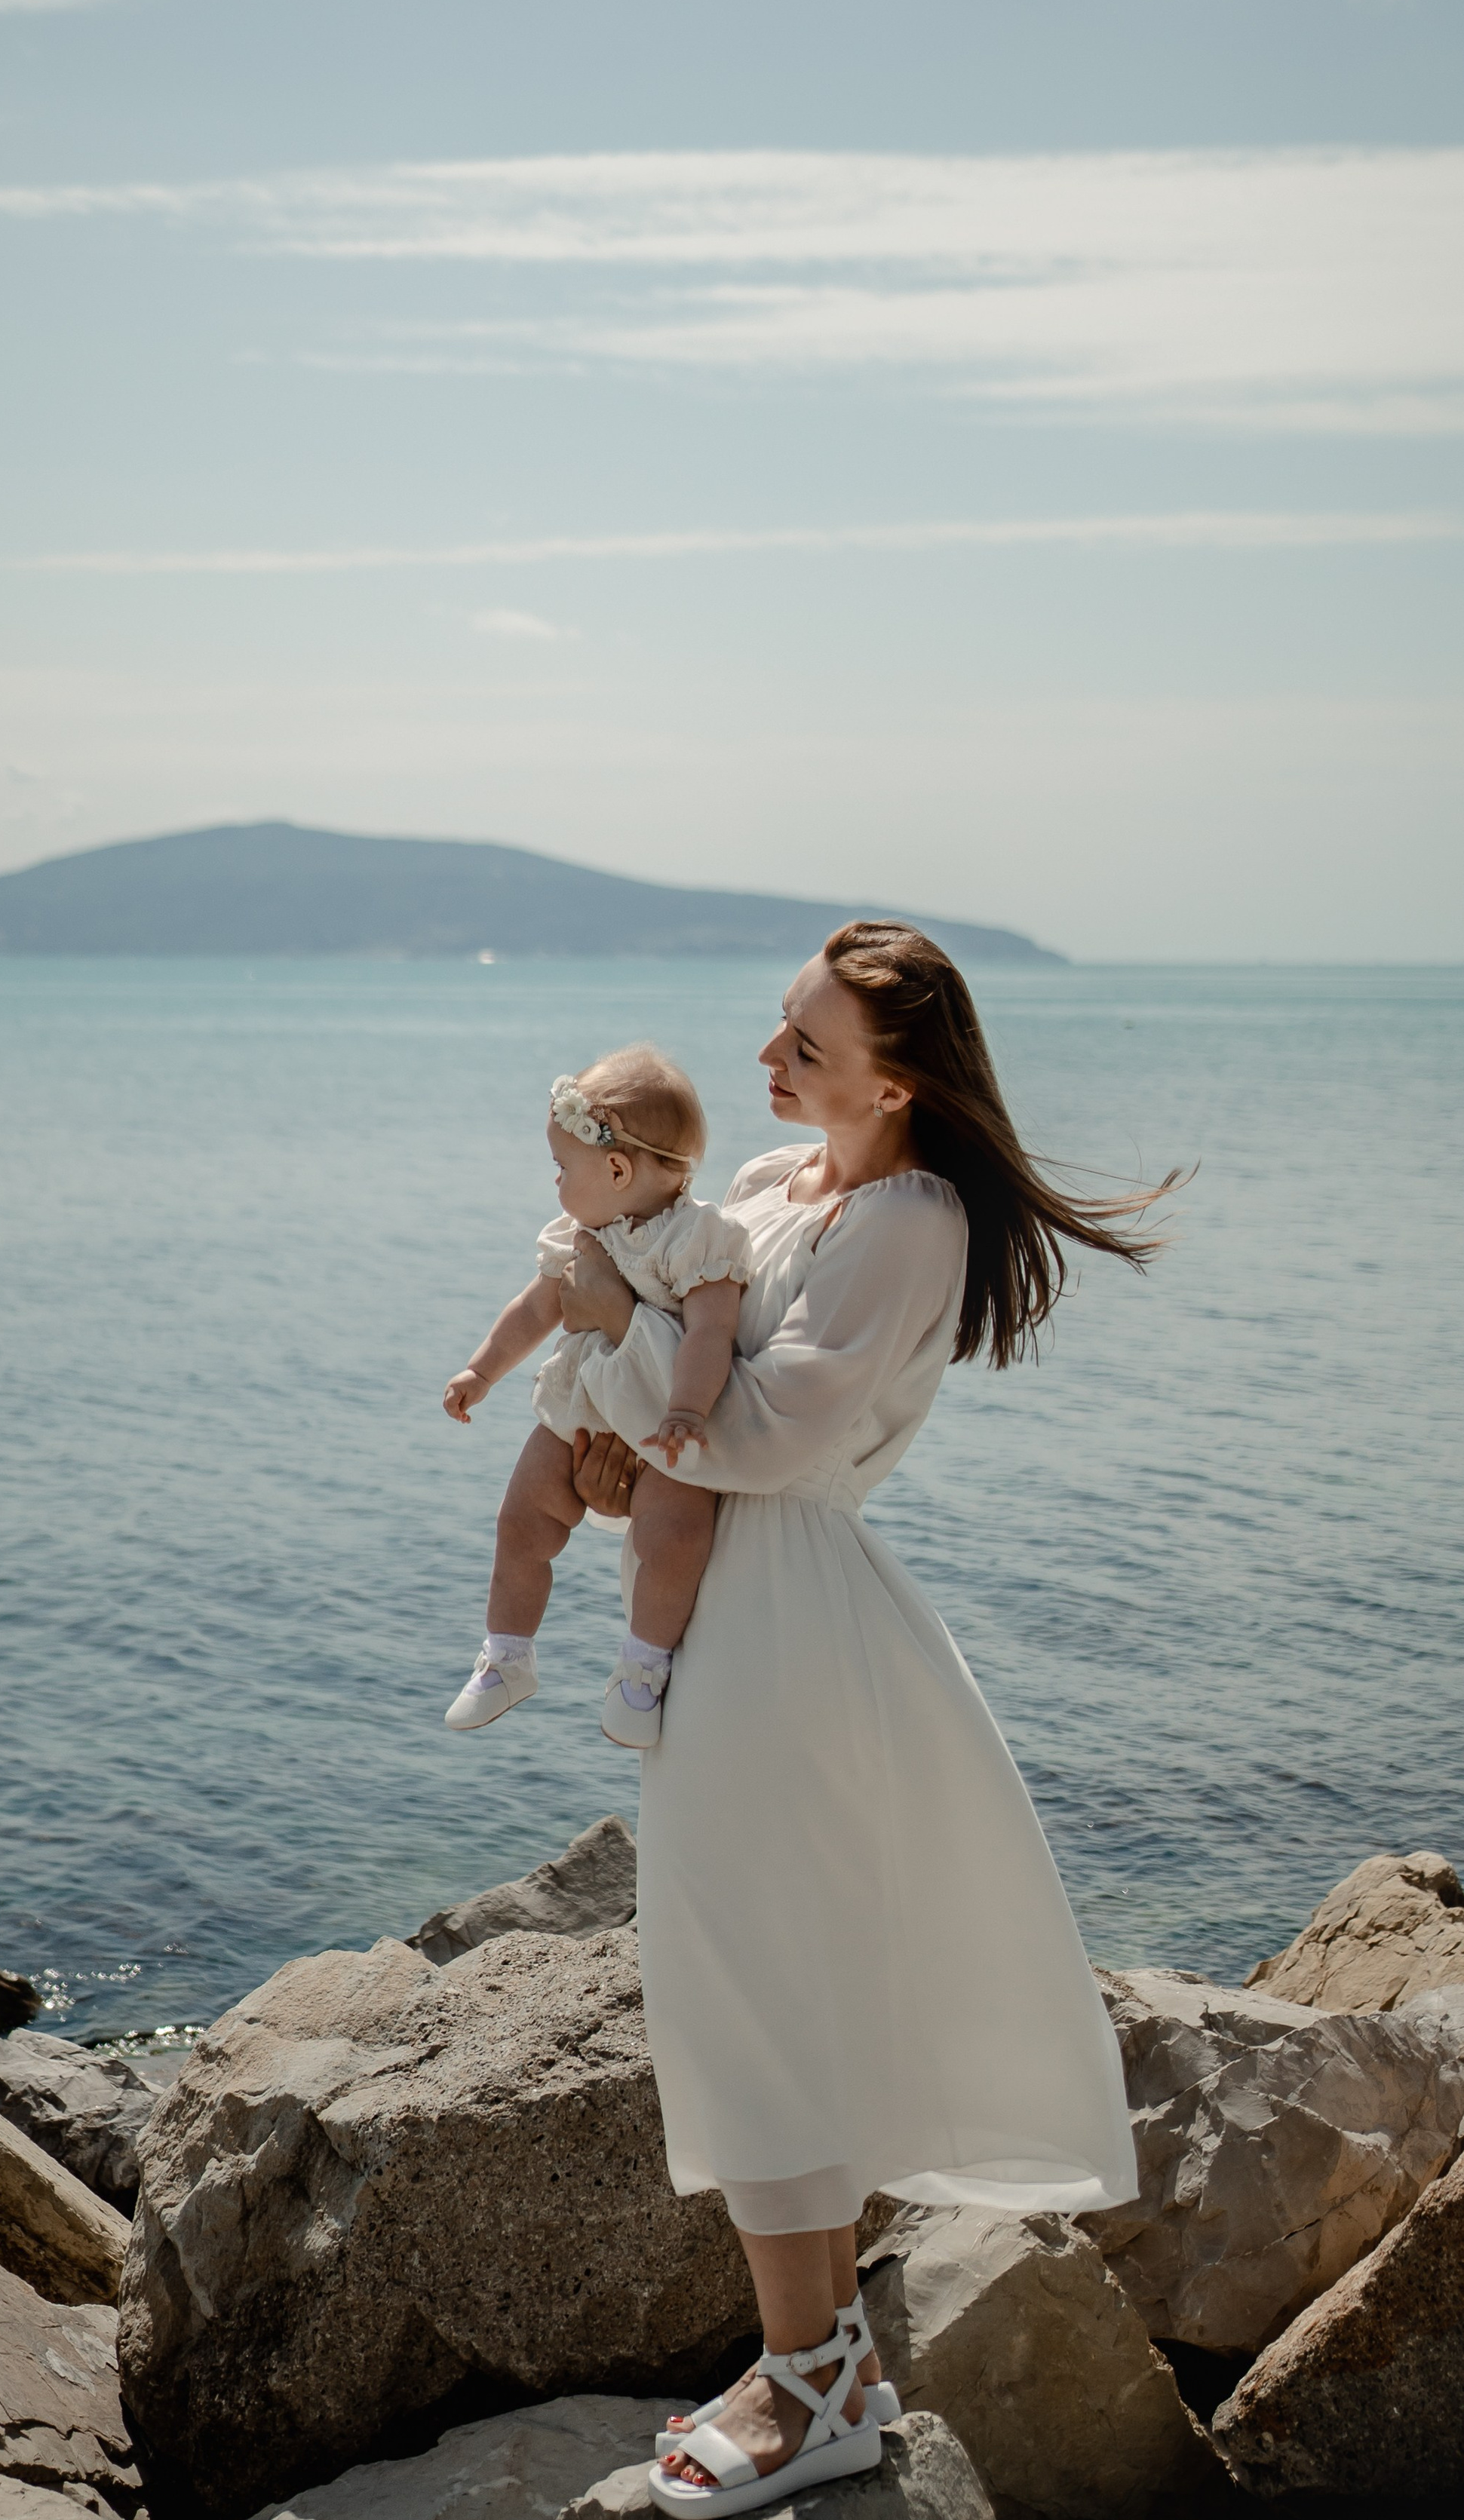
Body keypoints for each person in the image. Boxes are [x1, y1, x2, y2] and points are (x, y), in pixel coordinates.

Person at [547, 924, 1174, 2513]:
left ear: (895, 1084)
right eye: (777, 1031)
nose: (764, 1067)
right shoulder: (768, 1186)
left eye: (805, 1051)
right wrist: (619, 1417)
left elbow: (755, 1433)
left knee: (749, 1994)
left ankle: (809, 2382)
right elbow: (675, 1384)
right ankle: (821, 2366)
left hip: (788, 1630)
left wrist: (599, 1330)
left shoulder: (909, 1224)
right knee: (755, 1986)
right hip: (738, 1616)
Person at [441, 1046, 753, 1747]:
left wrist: (686, 1411)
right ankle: (507, 1654)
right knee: (522, 1519)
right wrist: (481, 1371)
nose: (555, 1183)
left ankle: (644, 1668)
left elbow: (711, 1331)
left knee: (672, 1540)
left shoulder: (699, 1239)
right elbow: (533, 1310)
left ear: (616, 1169)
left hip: (664, 1427)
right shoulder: (582, 1236)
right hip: (577, 1409)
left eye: (562, 1168)